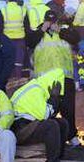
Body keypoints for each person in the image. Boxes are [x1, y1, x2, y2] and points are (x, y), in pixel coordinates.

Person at [26, 10, 80, 145]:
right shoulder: (38, 32)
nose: (51, 24)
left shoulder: (64, 31)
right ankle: (47, 137)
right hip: (44, 80)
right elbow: (29, 42)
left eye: (53, 21)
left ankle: (72, 136)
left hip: (65, 77)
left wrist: (60, 31)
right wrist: (42, 30)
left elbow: (75, 38)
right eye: (48, 21)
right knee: (47, 109)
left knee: (68, 108)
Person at [11, 69, 69, 162]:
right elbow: (45, 115)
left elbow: (48, 113)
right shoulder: (35, 90)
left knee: (62, 123)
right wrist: (54, 98)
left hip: (29, 125)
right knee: (51, 125)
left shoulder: (39, 88)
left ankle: (58, 158)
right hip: (20, 129)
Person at [0, 0, 27, 78]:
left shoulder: (3, 10)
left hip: (7, 39)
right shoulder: (22, 10)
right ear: (16, 0)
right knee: (18, 61)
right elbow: (27, 25)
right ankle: (18, 78)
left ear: (7, 0)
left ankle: (8, 79)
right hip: (20, 39)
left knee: (8, 60)